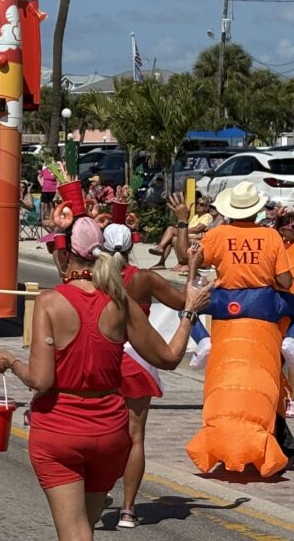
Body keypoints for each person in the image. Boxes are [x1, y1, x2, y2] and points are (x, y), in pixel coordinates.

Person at [0, 215, 211, 541]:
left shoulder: (50, 301)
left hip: (59, 429)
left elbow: (41, 381)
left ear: (65, 255)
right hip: (109, 432)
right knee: (84, 528)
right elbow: (170, 357)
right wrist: (188, 311)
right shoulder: (120, 302)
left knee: (74, 532)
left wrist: (11, 361)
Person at [104, 202, 190, 530]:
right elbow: (185, 302)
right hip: (138, 358)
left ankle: (97, 493)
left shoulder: (95, 277)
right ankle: (128, 510)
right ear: (132, 247)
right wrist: (192, 270)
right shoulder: (144, 278)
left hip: (104, 356)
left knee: (99, 430)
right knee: (135, 437)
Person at [197, 181, 292, 292]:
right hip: (262, 298)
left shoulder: (216, 234)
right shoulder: (272, 235)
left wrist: (182, 222)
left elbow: (194, 261)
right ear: (257, 210)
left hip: (227, 297)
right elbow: (285, 282)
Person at [149, 194, 213, 272]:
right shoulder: (196, 216)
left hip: (195, 239)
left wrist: (182, 231)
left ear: (207, 208)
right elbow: (189, 227)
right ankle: (161, 262)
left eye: (202, 205)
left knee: (171, 229)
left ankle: (161, 248)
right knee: (171, 238)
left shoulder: (207, 216)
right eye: (198, 203)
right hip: (189, 237)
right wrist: (182, 229)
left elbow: (197, 229)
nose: (198, 206)